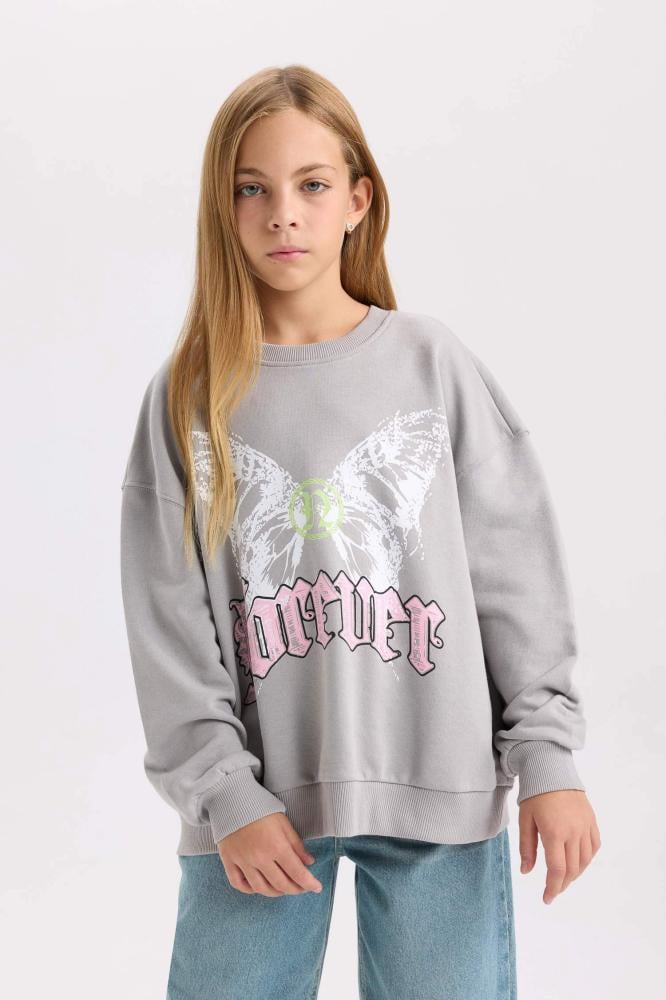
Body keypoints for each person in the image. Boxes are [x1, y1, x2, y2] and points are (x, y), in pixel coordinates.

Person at [119, 64, 601, 1000]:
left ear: (357, 200)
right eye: (251, 189)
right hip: (255, 808)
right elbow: (167, 623)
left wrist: (547, 754)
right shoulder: (189, 396)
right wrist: (224, 792)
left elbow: (514, 574)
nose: (282, 215)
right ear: (222, 207)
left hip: (439, 793)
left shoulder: (431, 363)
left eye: (311, 185)